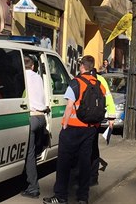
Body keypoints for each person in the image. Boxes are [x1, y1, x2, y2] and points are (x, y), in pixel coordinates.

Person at [43, 55, 107, 204]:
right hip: (90, 129)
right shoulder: (99, 84)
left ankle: (60, 196)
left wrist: (64, 124)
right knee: (85, 163)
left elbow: (69, 106)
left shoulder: (76, 83)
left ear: (82, 67)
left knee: (64, 163)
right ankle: (83, 197)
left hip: (72, 128)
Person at [22, 56, 48, 199]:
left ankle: (33, 188)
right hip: (41, 117)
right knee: (36, 151)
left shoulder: (21, 76)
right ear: (33, 67)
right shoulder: (38, 77)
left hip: (31, 117)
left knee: (29, 155)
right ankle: (30, 178)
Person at [90, 68, 116, 186]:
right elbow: (109, 98)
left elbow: (108, 97)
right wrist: (111, 118)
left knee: (89, 149)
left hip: (84, 121)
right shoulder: (100, 79)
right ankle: (93, 177)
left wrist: (111, 117)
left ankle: (89, 177)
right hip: (95, 119)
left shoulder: (79, 78)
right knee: (93, 148)